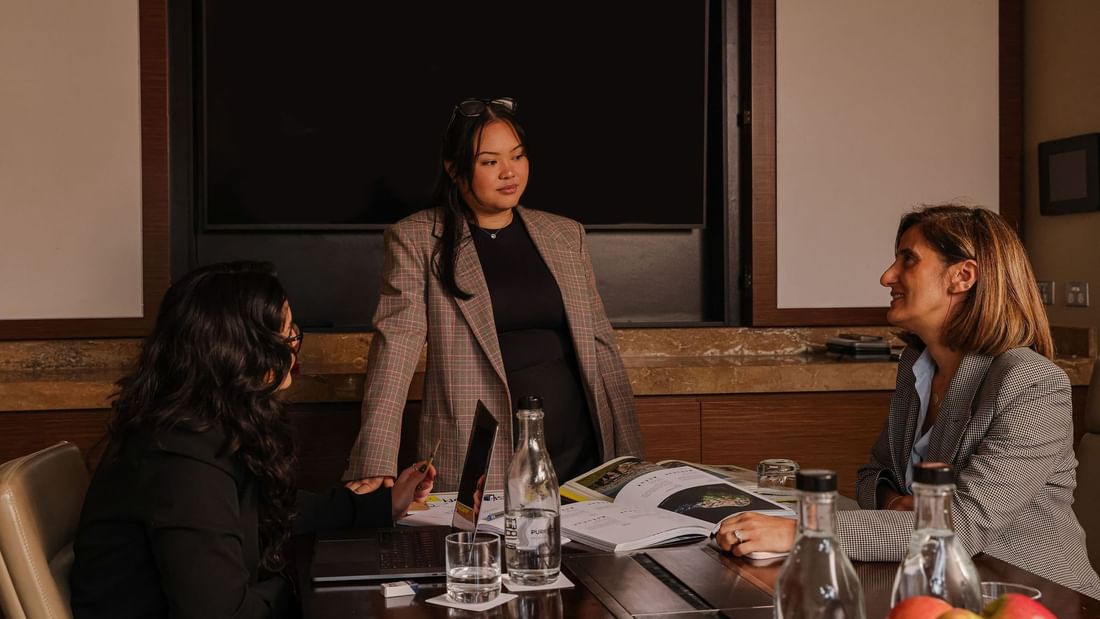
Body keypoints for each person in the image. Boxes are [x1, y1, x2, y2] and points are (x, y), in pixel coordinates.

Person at [715, 205, 1100, 599]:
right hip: (930, 587)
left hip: (1033, 596)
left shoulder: (1031, 381)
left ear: (962, 276)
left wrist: (806, 532)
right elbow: (872, 476)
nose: (887, 276)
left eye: (908, 260)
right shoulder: (917, 366)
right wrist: (901, 505)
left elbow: (962, 527)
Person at [70, 262, 436, 618]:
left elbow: (265, 509)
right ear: (236, 350)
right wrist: (300, 582)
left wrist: (383, 504)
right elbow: (219, 612)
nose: (295, 344)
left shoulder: (205, 421)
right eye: (287, 333)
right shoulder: (181, 456)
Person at [344, 97, 643, 494]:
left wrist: (631, 457)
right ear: (453, 168)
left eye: (517, 157)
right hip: (480, 450)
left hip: (579, 449)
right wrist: (374, 457)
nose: (509, 172)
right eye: (489, 162)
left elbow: (601, 346)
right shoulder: (416, 238)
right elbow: (395, 348)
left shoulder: (565, 234)